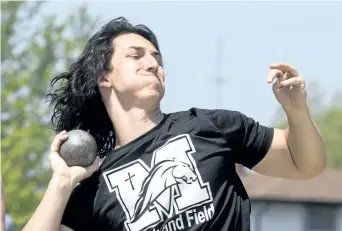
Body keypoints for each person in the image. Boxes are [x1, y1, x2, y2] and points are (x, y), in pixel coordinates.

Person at [22, 17, 326, 231]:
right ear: (105, 77)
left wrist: (296, 111)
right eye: (135, 56)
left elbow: (307, 165)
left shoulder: (212, 126)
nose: (153, 63)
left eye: (156, 57)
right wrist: (61, 183)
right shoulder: (94, 187)